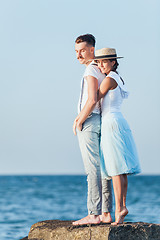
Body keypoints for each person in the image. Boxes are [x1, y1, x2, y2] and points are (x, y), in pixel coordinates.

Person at [93, 47, 141, 225]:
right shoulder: (116, 77)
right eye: (98, 62)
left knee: (115, 170)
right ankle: (122, 207)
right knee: (119, 170)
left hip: (111, 123)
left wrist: (80, 117)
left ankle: (120, 208)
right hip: (117, 121)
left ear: (113, 62)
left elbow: (94, 99)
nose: (101, 65)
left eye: (104, 61)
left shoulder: (110, 79)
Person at [72, 35, 112, 225]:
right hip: (99, 119)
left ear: (91, 50)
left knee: (92, 169)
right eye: (76, 51)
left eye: (81, 50)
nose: (78, 55)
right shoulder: (100, 69)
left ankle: (94, 214)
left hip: (90, 120)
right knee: (103, 167)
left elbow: (91, 99)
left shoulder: (90, 69)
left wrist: (79, 120)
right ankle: (106, 212)